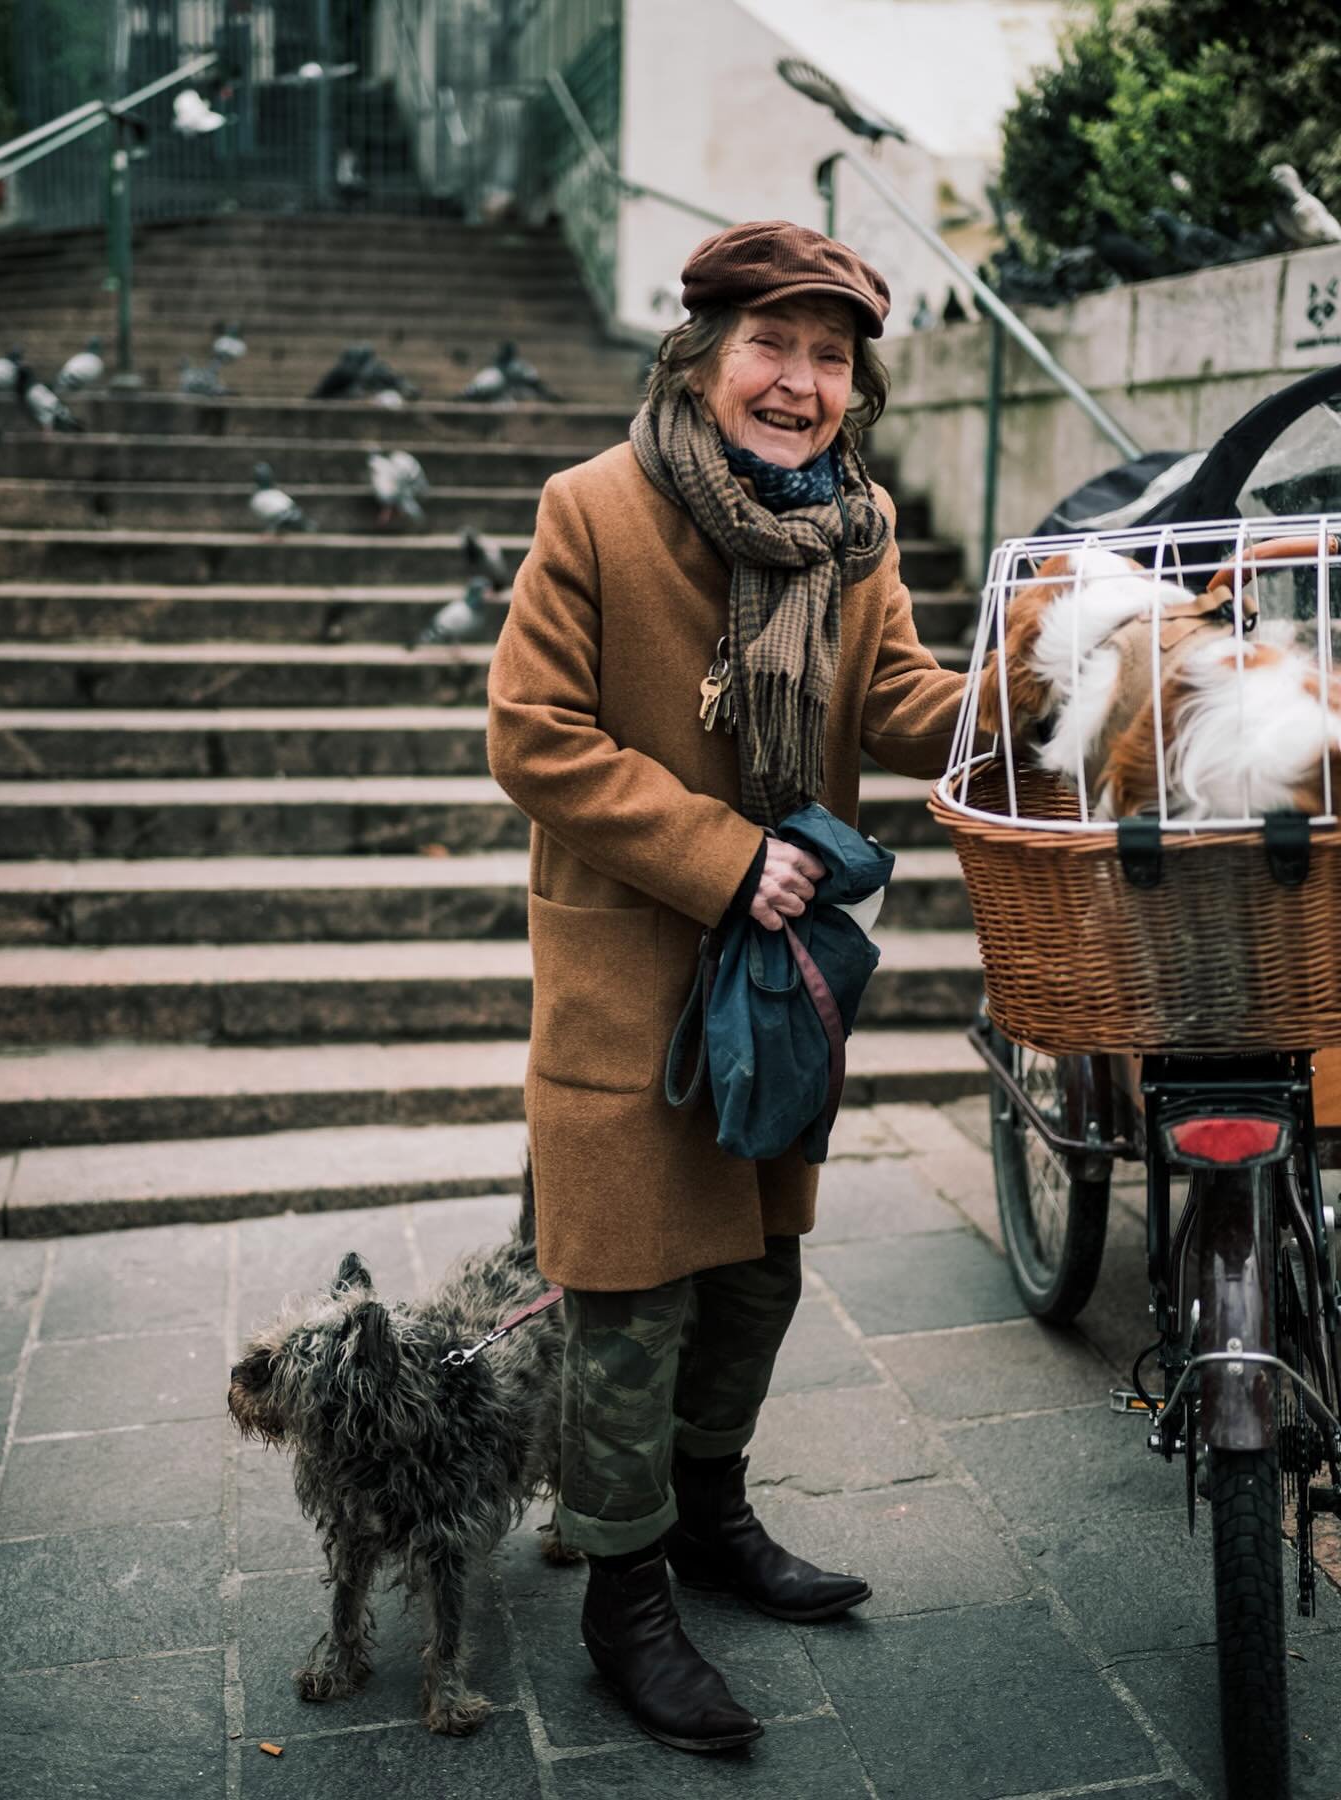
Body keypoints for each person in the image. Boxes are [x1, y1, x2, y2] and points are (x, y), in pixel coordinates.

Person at [487, 219, 966, 1754]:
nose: (800, 381)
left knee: (757, 1274)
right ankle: (623, 1601)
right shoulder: (595, 509)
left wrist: (1040, 675)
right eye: (772, 345)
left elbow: (892, 696)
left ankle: (710, 1521)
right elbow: (535, 734)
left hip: (778, 987)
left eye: (831, 357)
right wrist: (714, 855)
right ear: (699, 362)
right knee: (629, 1303)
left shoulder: (857, 530)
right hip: (635, 974)